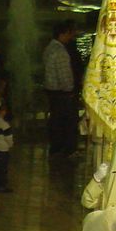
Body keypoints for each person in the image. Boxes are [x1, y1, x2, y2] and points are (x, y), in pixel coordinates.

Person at [43, 23, 79, 158]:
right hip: (62, 94)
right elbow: (64, 75)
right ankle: (67, 149)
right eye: (69, 34)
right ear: (63, 34)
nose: (71, 37)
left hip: (52, 91)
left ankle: (56, 148)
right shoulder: (60, 51)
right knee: (66, 123)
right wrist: (70, 90)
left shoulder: (49, 49)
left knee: (56, 121)